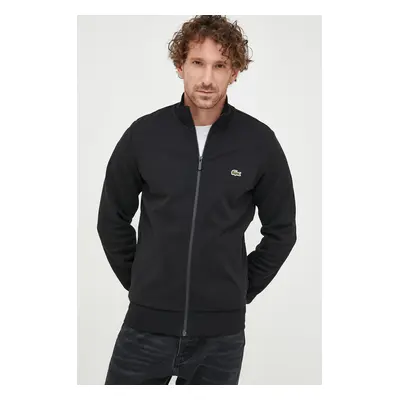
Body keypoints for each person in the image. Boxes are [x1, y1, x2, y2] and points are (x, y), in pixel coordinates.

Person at [97, 15, 297, 385]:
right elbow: (111, 218)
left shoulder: (258, 143)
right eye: (197, 62)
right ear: (180, 66)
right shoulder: (144, 135)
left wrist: (238, 289)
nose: (207, 78)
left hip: (221, 340)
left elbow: (282, 230)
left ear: (234, 72)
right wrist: (142, 283)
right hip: (145, 331)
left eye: (220, 65)